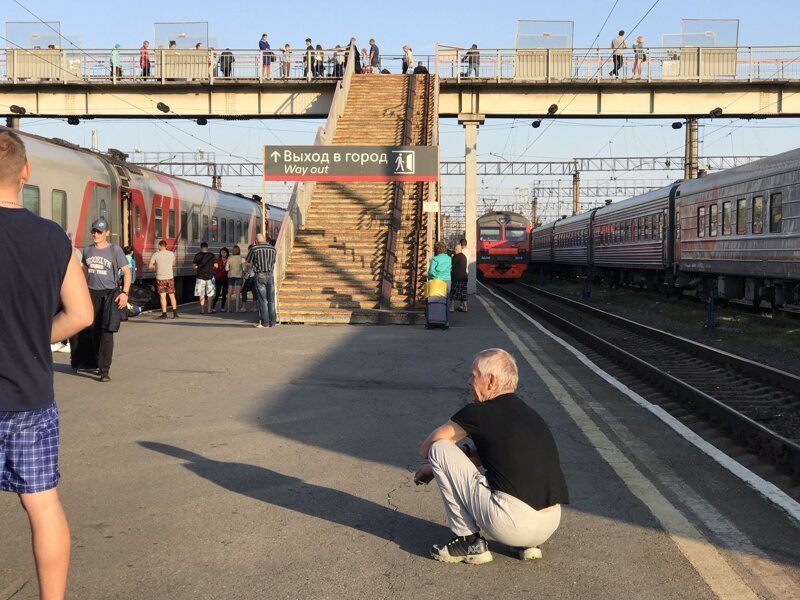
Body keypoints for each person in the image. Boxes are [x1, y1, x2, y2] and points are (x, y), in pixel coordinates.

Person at [0, 128, 94, 600]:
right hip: (30, 397)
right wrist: (33, 337)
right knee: (42, 505)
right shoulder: (52, 238)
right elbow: (81, 314)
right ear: (26, 173)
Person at [414, 348, 569, 564]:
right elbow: (495, 455)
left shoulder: (478, 412)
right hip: (549, 523)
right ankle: (528, 546)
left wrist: (434, 462)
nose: (469, 381)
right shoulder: (530, 415)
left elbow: (428, 448)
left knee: (439, 448)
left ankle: (468, 542)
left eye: (474, 375)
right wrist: (436, 469)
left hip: (512, 523)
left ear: (491, 381)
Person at [70, 218, 131, 382]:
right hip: (91, 293)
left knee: (106, 331)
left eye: (99, 232)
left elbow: (127, 272)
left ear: (107, 233)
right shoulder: (88, 251)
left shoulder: (115, 250)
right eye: (94, 231)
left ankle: (104, 369)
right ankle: (88, 361)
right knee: (90, 329)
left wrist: (124, 293)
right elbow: (84, 271)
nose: (95, 234)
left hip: (109, 294)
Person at [246, 234, 277, 328]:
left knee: (263, 300)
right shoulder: (272, 249)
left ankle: (265, 323)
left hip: (260, 275)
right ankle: (273, 322)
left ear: (256, 240)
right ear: (264, 239)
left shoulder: (254, 248)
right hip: (270, 275)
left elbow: (248, 262)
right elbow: (273, 261)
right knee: (271, 300)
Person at [148, 239, 178, 319]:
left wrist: (156, 266)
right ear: (166, 246)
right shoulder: (171, 254)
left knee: (163, 296)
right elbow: (173, 264)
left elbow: (150, 266)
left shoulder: (155, 255)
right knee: (172, 295)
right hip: (169, 277)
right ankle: (175, 313)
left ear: (160, 246)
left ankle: (164, 313)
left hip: (160, 278)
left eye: (158, 246)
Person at [192, 241, 216, 314]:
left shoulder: (197, 255)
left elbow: (193, 266)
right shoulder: (212, 255)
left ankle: (202, 310)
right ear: (207, 248)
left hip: (200, 277)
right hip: (210, 277)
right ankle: (209, 310)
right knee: (210, 294)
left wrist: (197, 266)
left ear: (201, 248)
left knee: (201, 294)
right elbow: (216, 265)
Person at [225, 244, 246, 312]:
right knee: (237, 293)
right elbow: (244, 269)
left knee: (229, 292)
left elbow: (226, 269)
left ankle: (228, 308)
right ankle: (237, 308)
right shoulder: (242, 258)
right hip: (239, 276)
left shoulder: (229, 258)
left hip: (230, 276)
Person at [450, 243, 468, 313]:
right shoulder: (464, 256)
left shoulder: (456, 257)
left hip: (457, 277)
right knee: (463, 292)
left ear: (457, 250)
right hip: (464, 277)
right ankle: (465, 307)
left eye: (455, 250)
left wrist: (452, 256)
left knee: (453, 292)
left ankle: (452, 307)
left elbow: (451, 264)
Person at [211, 247, 229, 313]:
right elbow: (214, 268)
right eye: (222, 252)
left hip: (226, 278)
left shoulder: (228, 260)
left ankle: (222, 307)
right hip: (218, 278)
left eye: (224, 252)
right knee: (217, 293)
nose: (223, 254)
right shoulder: (218, 260)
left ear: (227, 253)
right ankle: (213, 307)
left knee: (224, 294)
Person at [240, 244, 256, 311]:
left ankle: (244, 307)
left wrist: (245, 263)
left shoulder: (249, 257)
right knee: (254, 292)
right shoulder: (256, 256)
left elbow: (250, 265)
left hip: (249, 276)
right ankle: (254, 307)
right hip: (254, 275)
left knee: (244, 291)